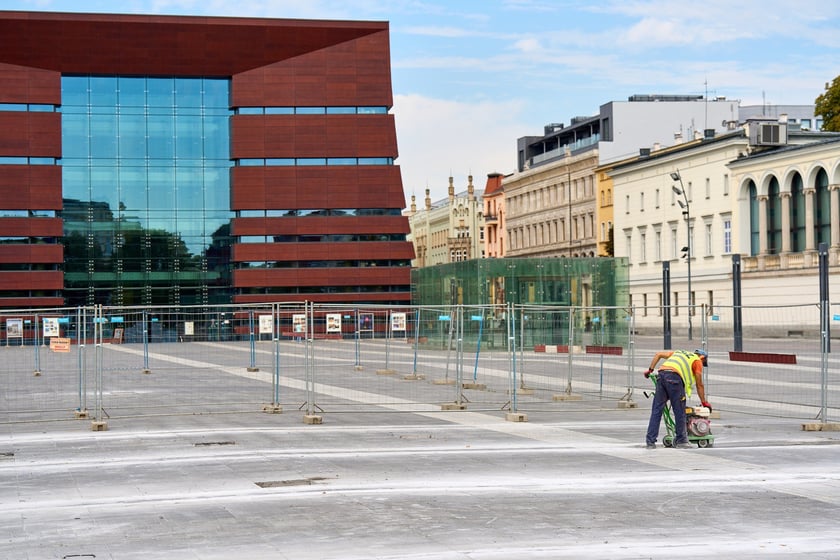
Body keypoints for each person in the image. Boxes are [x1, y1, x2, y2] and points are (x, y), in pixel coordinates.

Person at [644, 349, 711, 449]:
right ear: (703, 357)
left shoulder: (679, 353)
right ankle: (681, 441)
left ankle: (650, 442)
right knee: (680, 411)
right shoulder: (697, 360)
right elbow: (699, 384)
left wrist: (650, 370)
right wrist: (704, 402)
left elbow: (658, 354)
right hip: (674, 379)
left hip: (661, 375)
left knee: (656, 410)